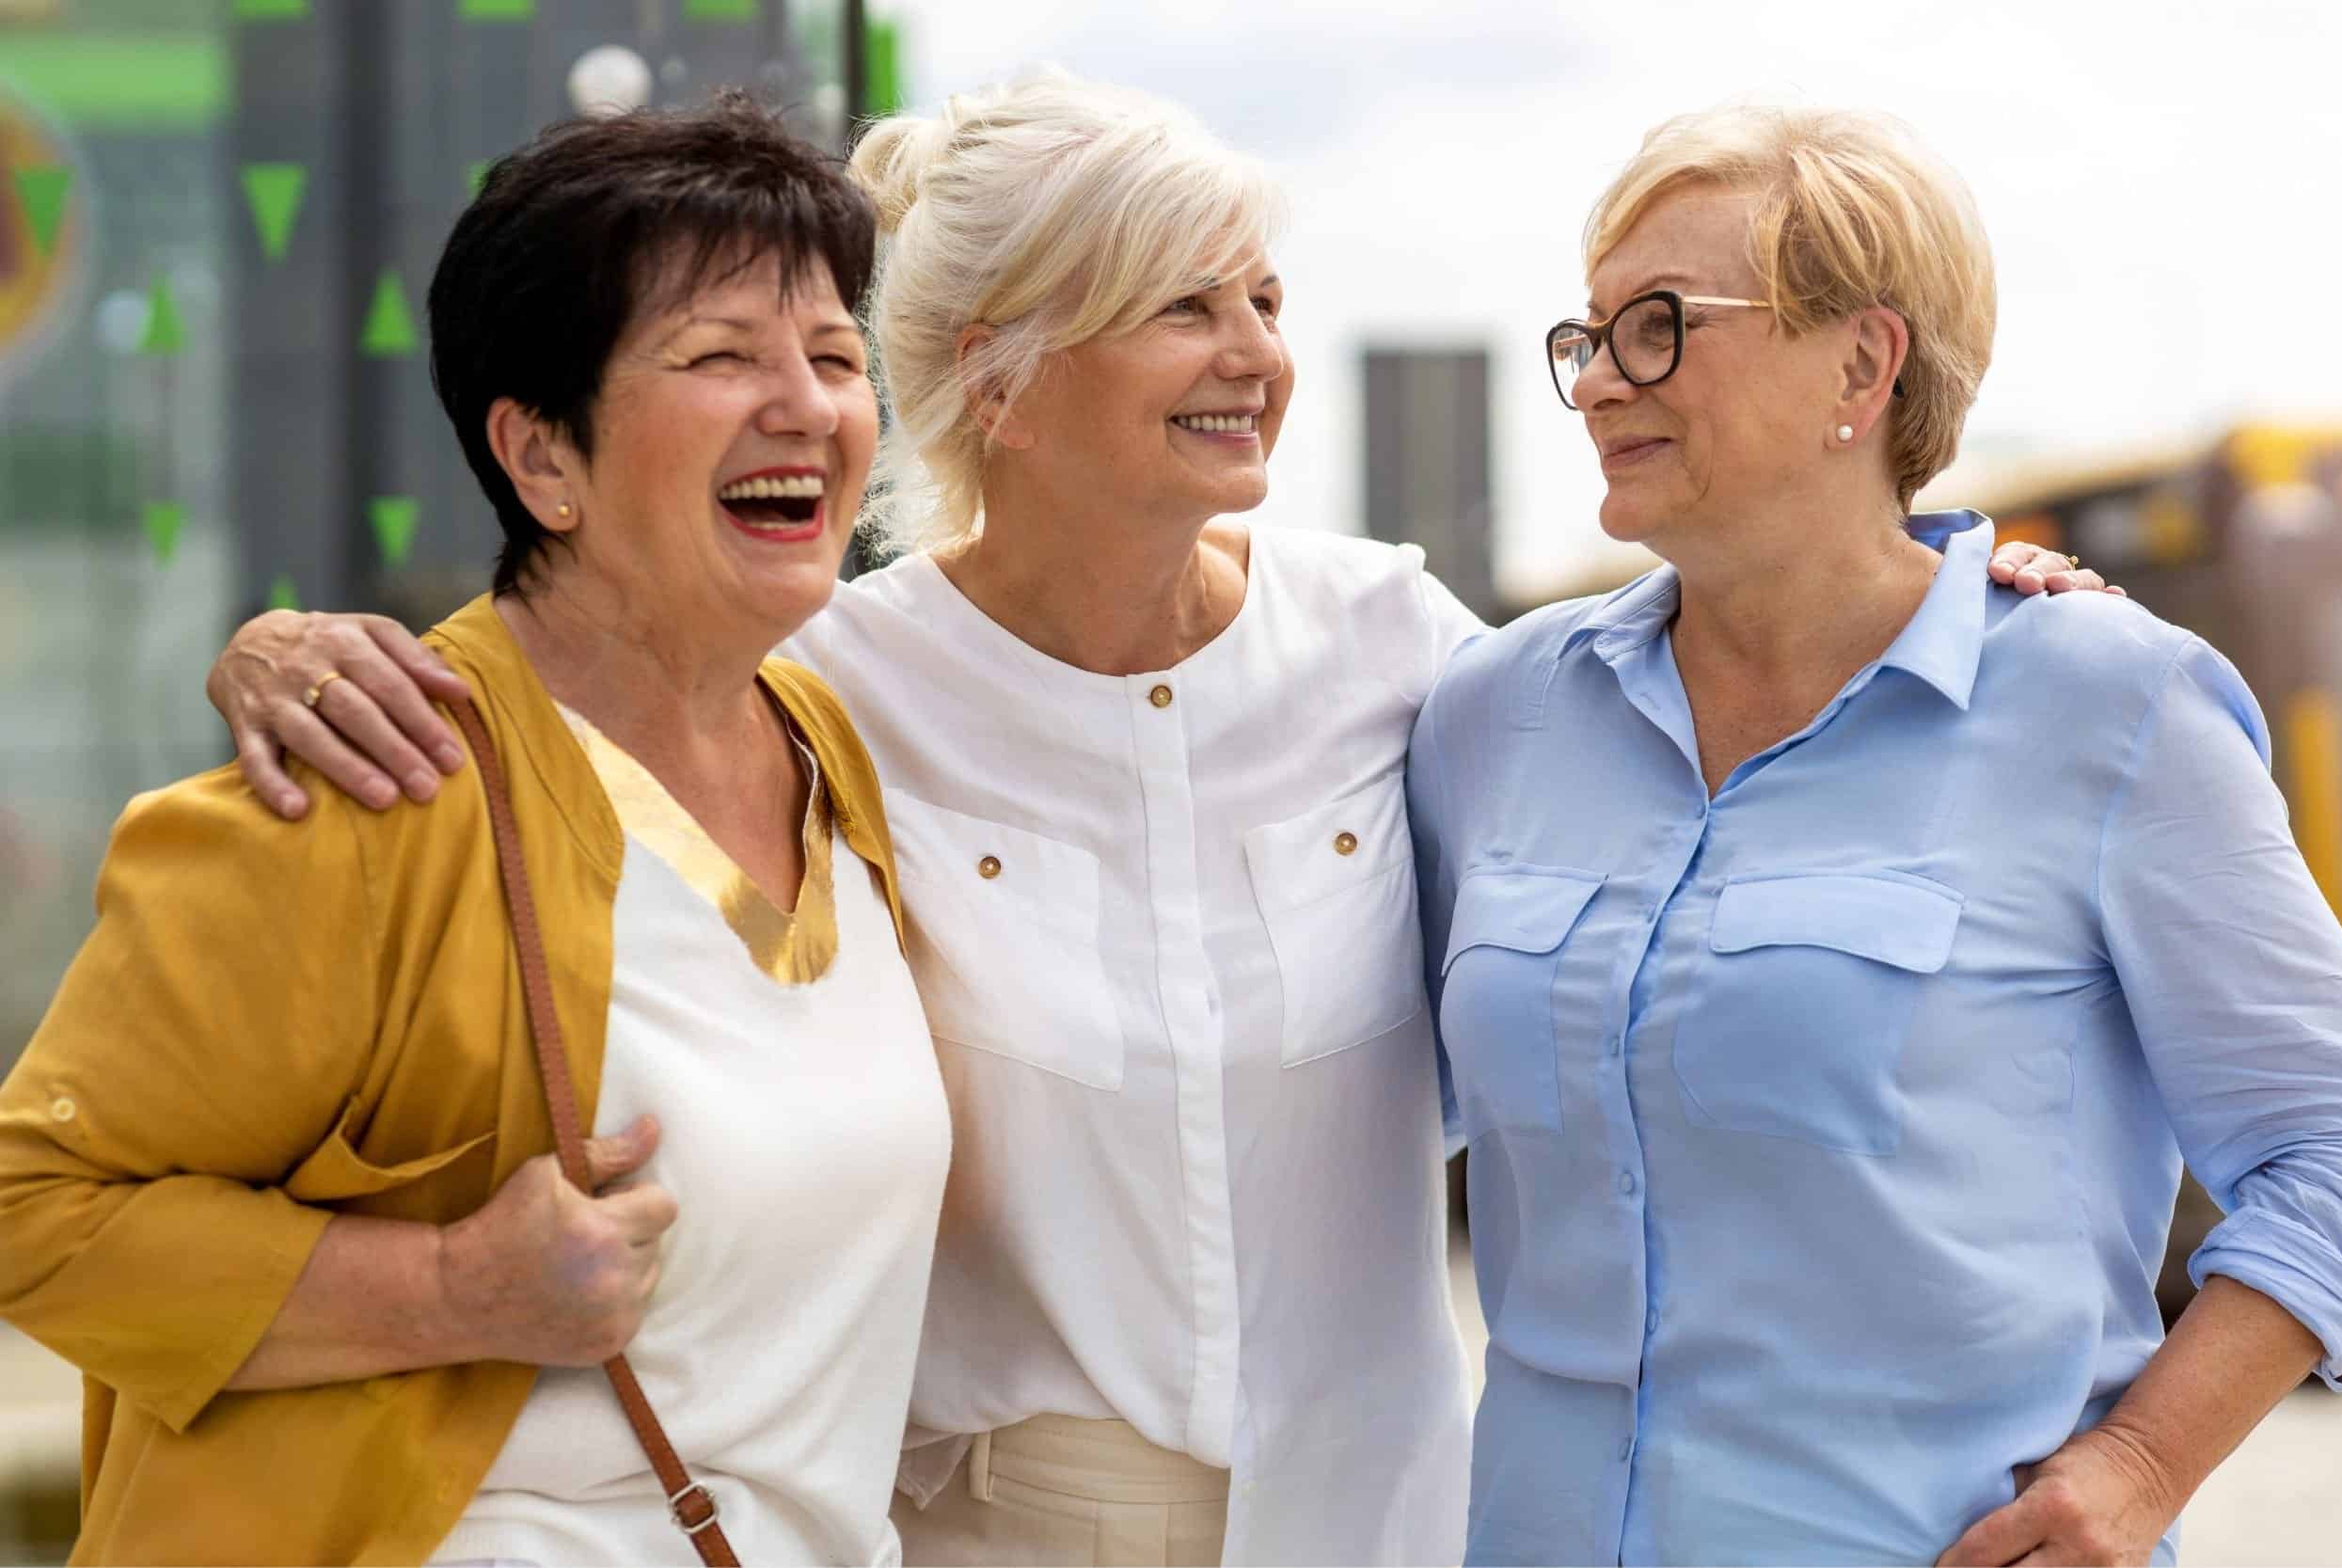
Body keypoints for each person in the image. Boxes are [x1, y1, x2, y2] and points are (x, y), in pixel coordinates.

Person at [198, 77, 2111, 1568]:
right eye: (1180, 307)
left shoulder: (1403, 651)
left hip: (1386, 1523)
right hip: (993, 1532)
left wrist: (1949, 609)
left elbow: (1714, 772)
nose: (1253, 352)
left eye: (1262, 298)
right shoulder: (826, 691)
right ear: (998, 385)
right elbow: (575, 684)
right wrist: (283, 650)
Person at [0, 95, 950, 1565]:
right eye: (719, 357)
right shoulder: (366, 787)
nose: (808, 405)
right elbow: (34, 1210)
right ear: (542, 459)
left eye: (834, 357)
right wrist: (449, 1287)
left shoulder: (830, 745)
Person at [1409, 103, 2342, 1566]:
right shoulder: (1495, 712)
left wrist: (2145, 1467)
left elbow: (2332, 1145)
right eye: (1584, 338)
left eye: (1658, 327)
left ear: (1862, 361)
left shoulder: (2112, 709)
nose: (1597, 382)